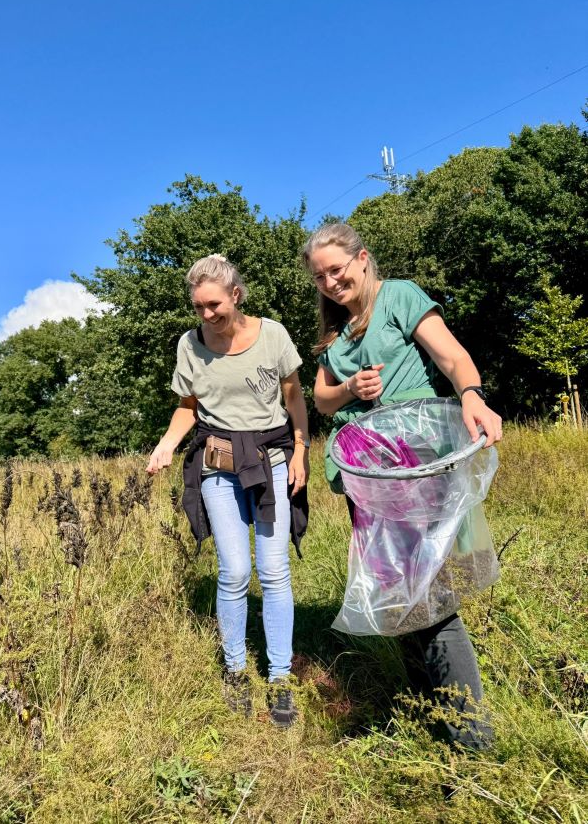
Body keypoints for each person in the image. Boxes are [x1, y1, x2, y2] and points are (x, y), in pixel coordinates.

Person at [303, 220, 502, 750]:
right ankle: (429, 712)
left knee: (431, 596)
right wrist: (348, 388)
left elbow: (452, 357)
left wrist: (473, 395)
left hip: (414, 462)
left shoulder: (399, 296)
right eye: (320, 276)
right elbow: (321, 400)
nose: (330, 282)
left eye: (336, 269)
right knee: (398, 595)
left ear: (362, 258)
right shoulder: (334, 334)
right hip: (368, 474)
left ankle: (472, 743)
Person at [146, 254, 310, 728]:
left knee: (275, 570)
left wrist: (300, 449)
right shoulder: (190, 345)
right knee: (235, 570)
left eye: (214, 304)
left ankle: (279, 677)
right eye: (198, 307)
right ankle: (235, 670)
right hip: (217, 464)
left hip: (272, 460)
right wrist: (166, 446)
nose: (207, 315)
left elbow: (294, 397)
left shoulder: (273, 335)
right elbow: (187, 408)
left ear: (236, 296)